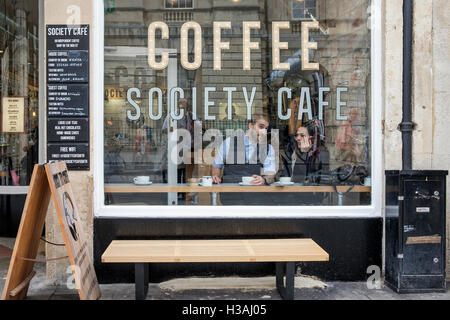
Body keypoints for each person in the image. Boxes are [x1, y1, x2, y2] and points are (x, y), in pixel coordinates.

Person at [211, 114, 277, 205]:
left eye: (266, 129)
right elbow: (216, 166)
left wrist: (264, 180)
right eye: (261, 127)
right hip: (230, 196)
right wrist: (215, 176)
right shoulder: (229, 142)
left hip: (256, 198)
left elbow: (271, 173)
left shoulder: (268, 148)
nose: (263, 132)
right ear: (250, 126)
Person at [279, 123, 330, 205]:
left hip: (311, 201)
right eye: (297, 135)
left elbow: (304, 178)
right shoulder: (295, 153)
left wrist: (304, 154)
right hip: (293, 197)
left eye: (302, 135)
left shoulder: (321, 153)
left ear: (312, 139)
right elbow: (285, 174)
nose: (298, 138)